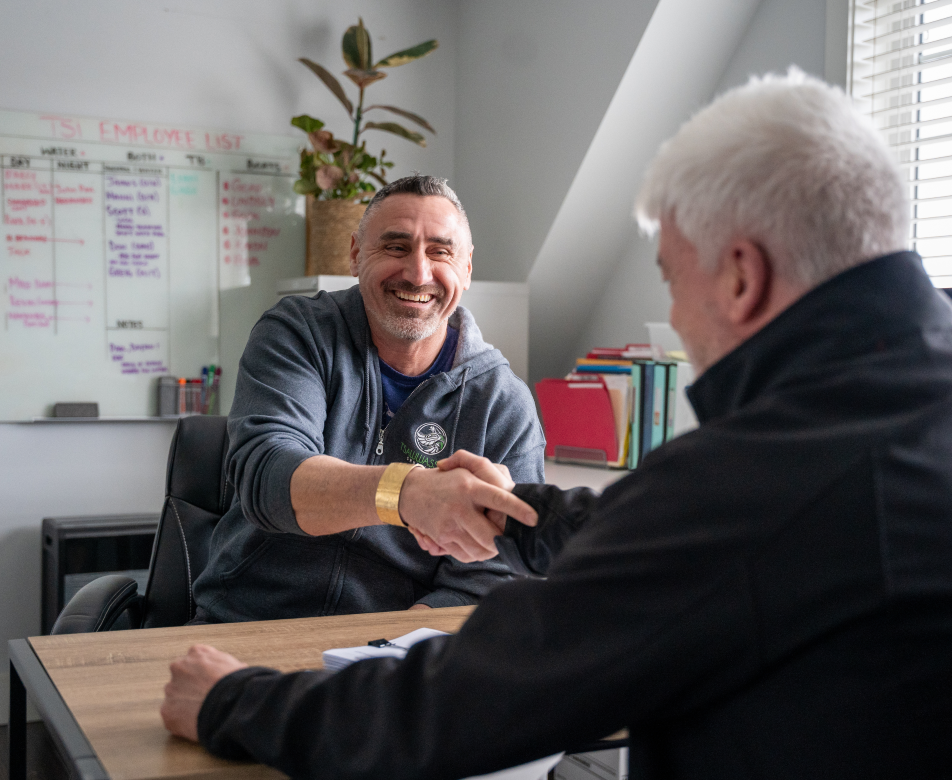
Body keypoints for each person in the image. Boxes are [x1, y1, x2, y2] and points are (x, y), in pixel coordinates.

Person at [164, 71, 952, 778]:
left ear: (742, 276)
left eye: (672, 280)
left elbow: (473, 700)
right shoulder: (892, 414)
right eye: (395, 247)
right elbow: (673, 532)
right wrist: (528, 513)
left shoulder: (767, 476)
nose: (673, 317)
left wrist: (234, 705)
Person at [190, 174, 544, 623]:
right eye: (396, 247)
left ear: (467, 268)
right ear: (356, 255)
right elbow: (269, 477)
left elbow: (494, 576)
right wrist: (408, 494)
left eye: (440, 251)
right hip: (246, 622)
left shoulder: (503, 403)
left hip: (392, 645)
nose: (418, 273)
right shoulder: (298, 334)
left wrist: (386, 653)